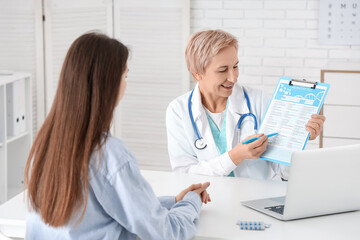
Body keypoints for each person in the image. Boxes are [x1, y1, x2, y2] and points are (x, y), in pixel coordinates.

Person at [24, 32, 211, 240]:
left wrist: (174, 201)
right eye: (125, 76)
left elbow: (100, 213)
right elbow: (166, 233)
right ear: (109, 83)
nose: (125, 83)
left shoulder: (44, 146)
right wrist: (191, 202)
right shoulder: (110, 155)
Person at [166, 29, 325, 180]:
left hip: (254, 199)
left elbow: (283, 171)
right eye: (223, 70)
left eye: (235, 66)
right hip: (209, 200)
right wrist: (236, 156)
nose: (233, 78)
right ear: (196, 73)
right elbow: (184, 174)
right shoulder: (179, 110)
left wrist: (297, 140)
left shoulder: (258, 100)